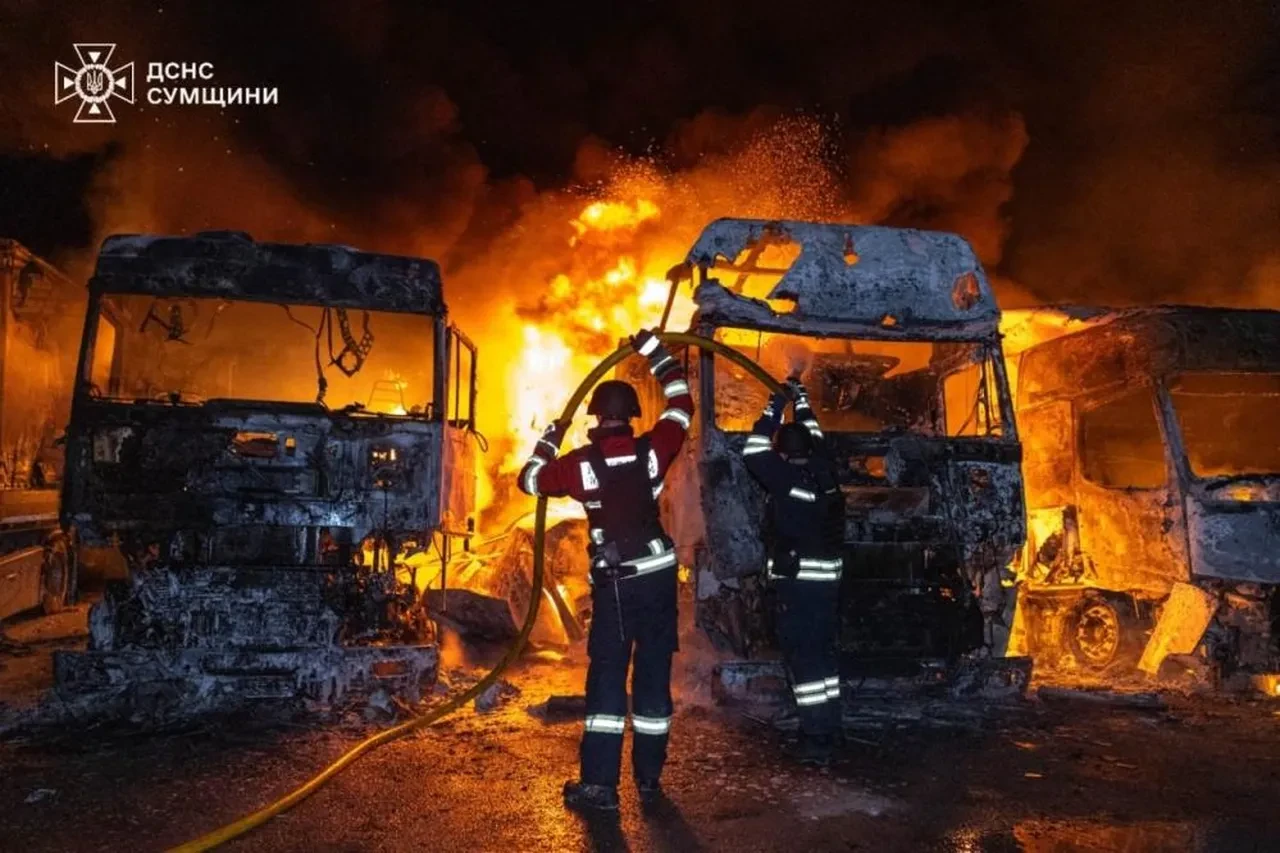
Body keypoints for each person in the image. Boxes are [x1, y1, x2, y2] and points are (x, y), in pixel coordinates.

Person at [517, 328, 694, 811]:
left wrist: (548, 441)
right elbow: (682, 405)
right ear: (634, 417)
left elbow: (529, 481)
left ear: (596, 417)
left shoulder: (580, 464)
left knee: (609, 681)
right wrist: (657, 354)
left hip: (617, 587)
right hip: (658, 580)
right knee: (655, 677)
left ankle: (599, 788)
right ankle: (650, 780)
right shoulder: (654, 449)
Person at [741, 377, 845, 765]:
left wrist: (773, 407)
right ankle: (831, 726)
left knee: (805, 662)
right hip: (826, 584)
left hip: (798, 585)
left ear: (783, 454)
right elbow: (813, 434)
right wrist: (800, 401)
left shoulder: (785, 479)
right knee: (824, 658)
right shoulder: (824, 470)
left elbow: (753, 451)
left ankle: (815, 736)